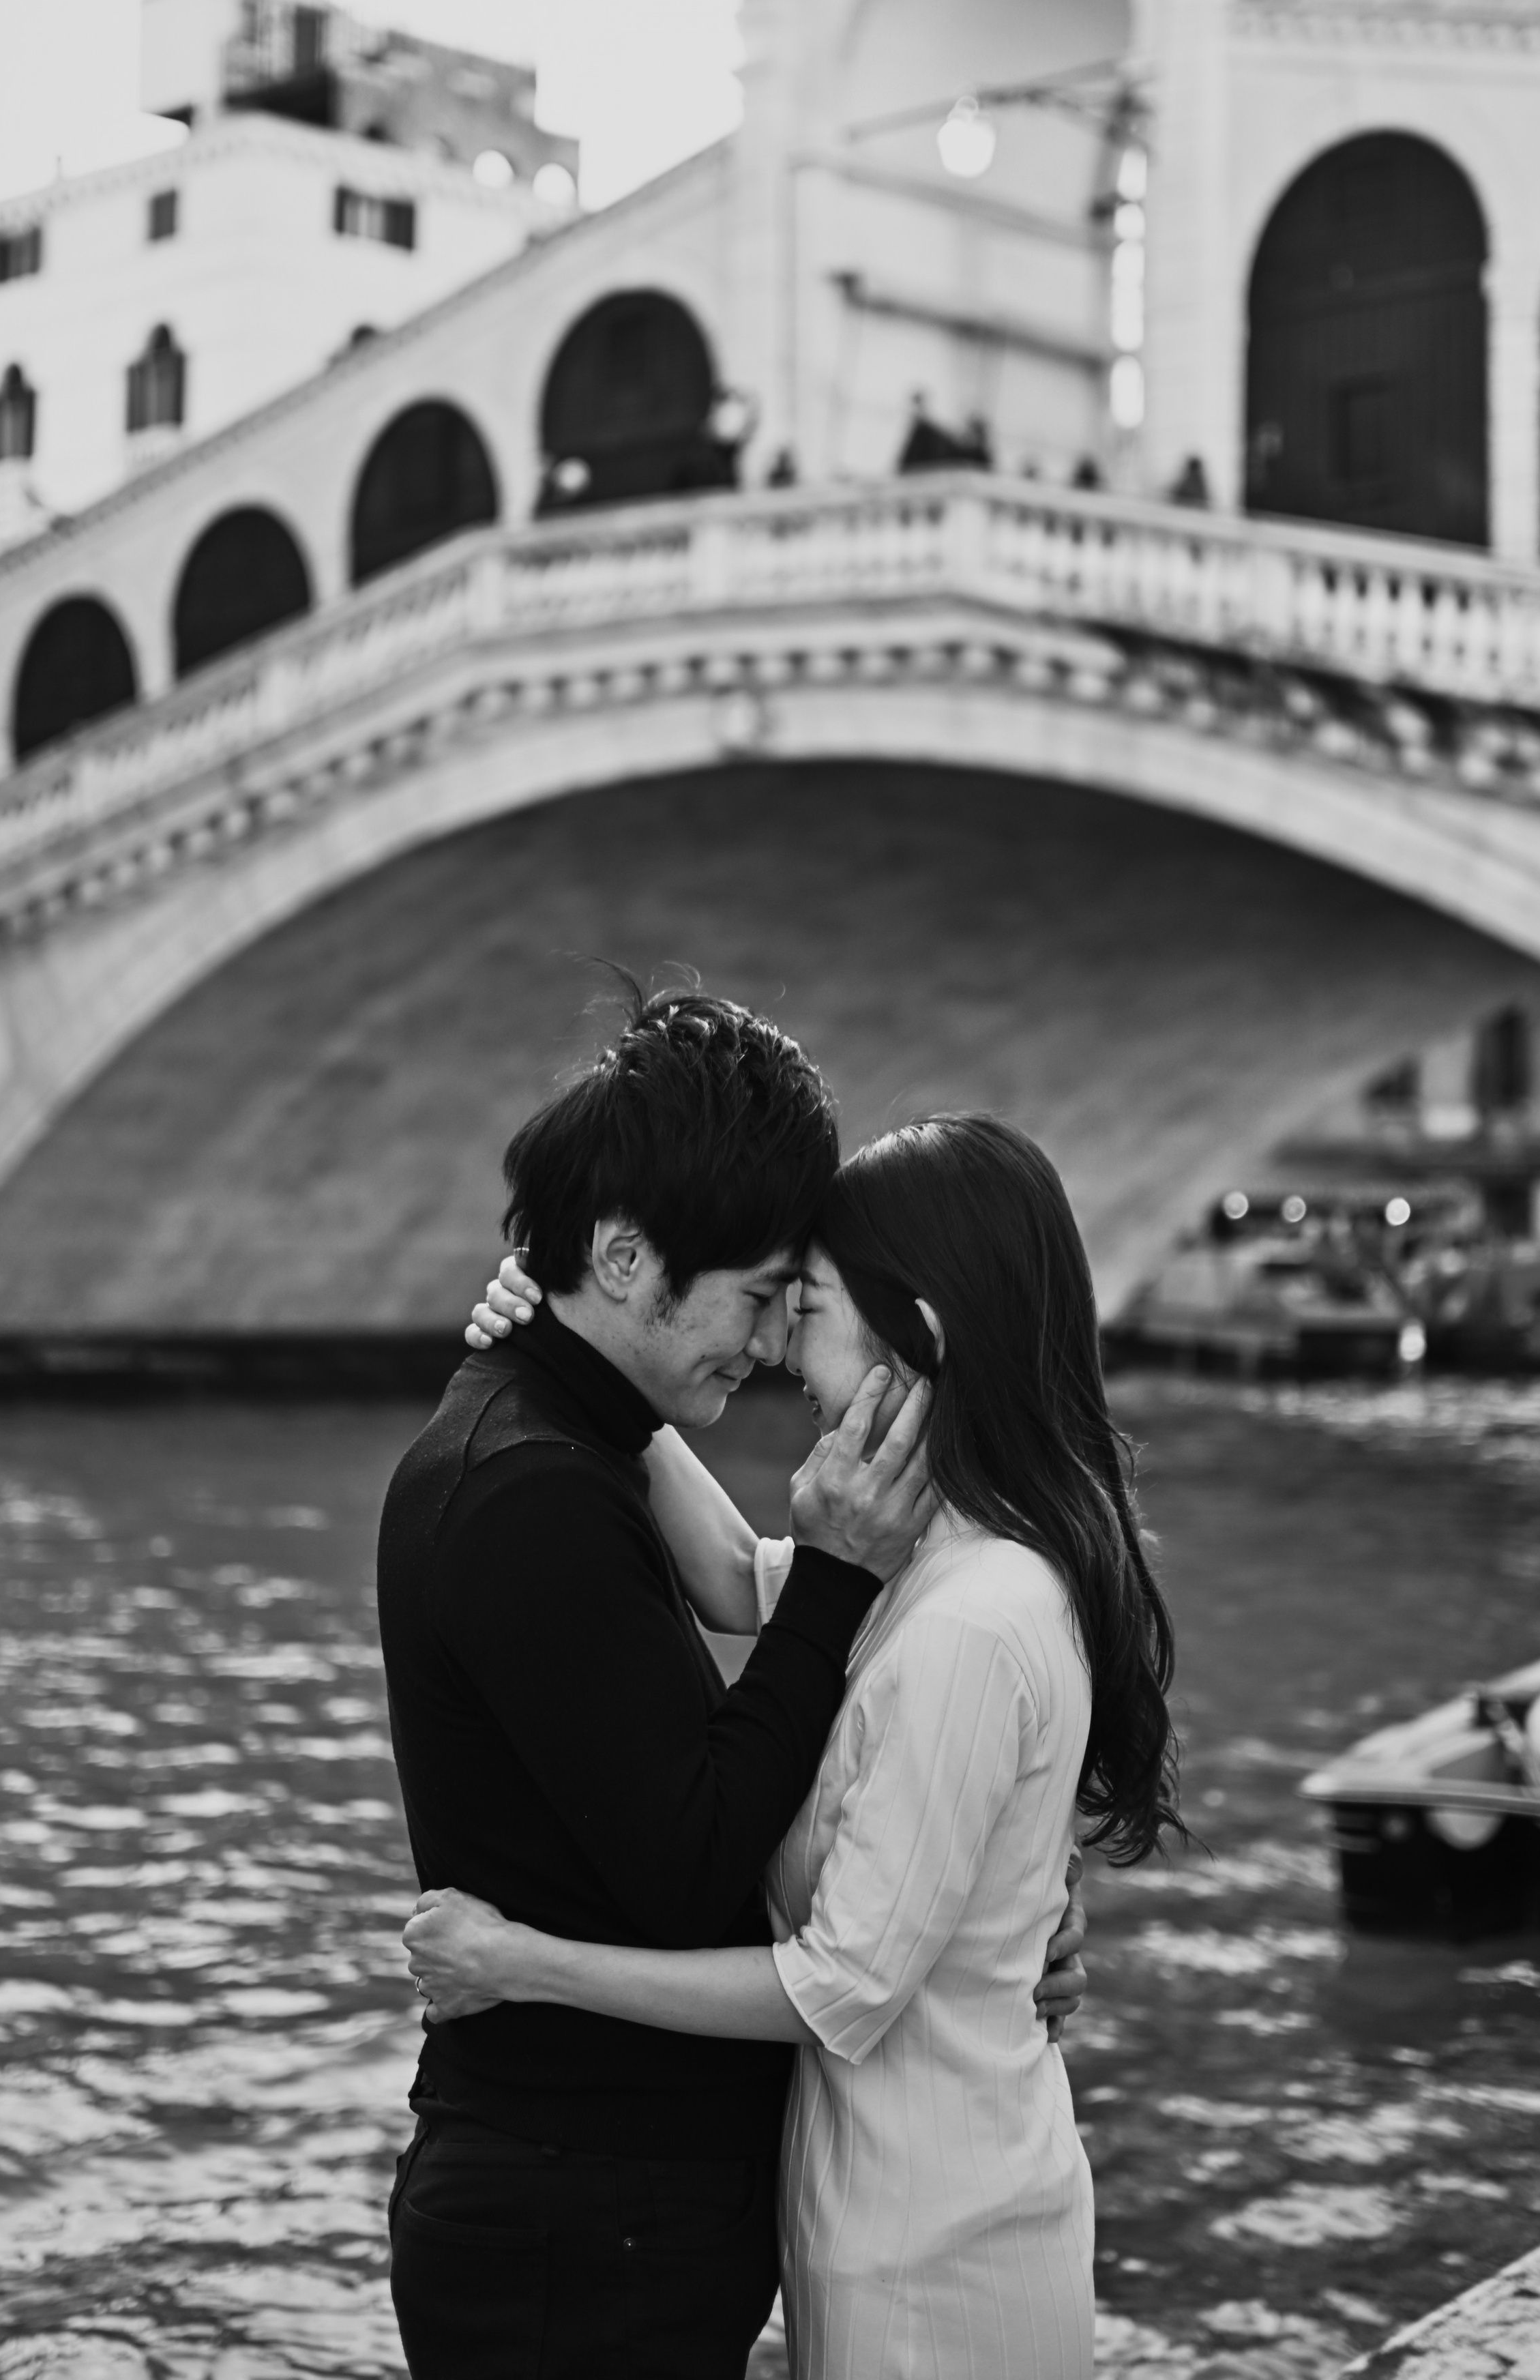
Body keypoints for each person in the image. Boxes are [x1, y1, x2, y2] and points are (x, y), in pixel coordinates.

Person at [376, 989, 1086, 2380]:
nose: (768, 1346)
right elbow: (706, 1823)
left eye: (796, 1304)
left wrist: (991, 1924)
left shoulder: (948, 1594)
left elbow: (761, 1621)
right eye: (765, 1297)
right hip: (598, 2216)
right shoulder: (532, 1492)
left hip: (759, 2225)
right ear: (629, 1257)